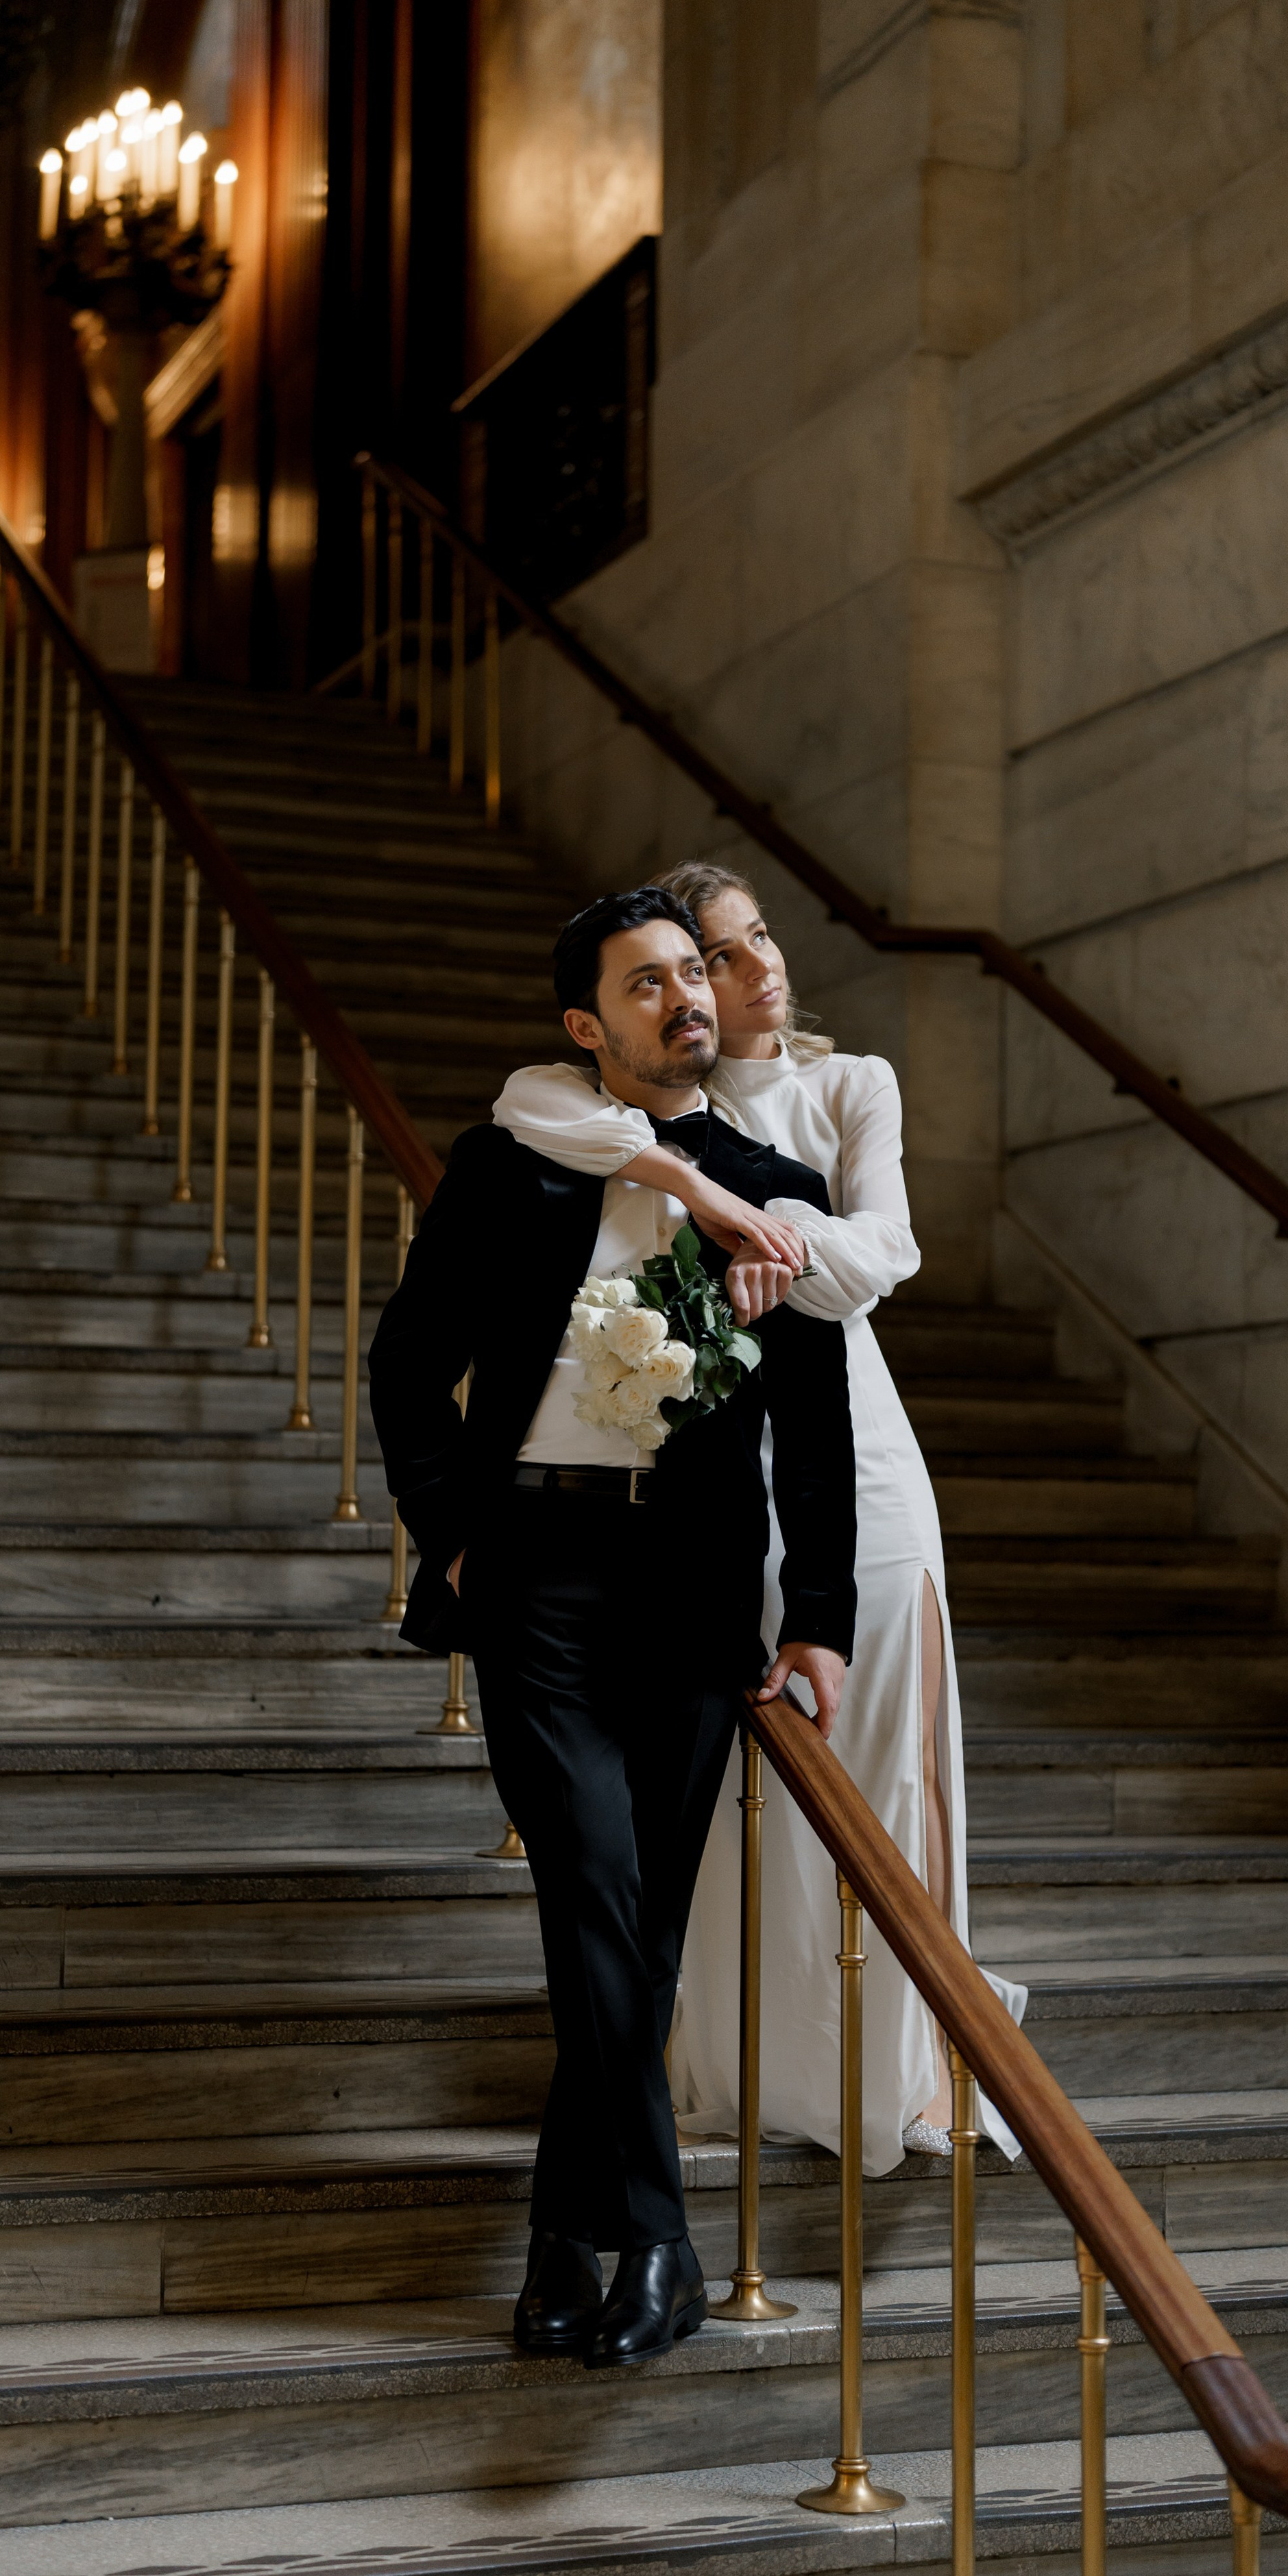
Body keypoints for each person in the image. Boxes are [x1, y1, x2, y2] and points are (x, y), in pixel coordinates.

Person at [368, 886, 858, 2369]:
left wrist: (817, 1616)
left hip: (695, 1588)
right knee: (588, 1884)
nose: (684, 1001)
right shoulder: (510, 1164)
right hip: (538, 1576)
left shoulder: (775, 1189)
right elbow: (406, 1364)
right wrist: (453, 1525)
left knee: (638, 1932)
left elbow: (814, 1431)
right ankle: (656, 2239)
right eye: (643, 987)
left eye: (689, 977)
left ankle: (556, 2235)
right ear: (588, 1026)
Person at [492, 863, 1026, 2172]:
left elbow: (879, 1259)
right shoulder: (645, 1107)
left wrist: (760, 1228)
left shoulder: (852, 1088)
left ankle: (889, 2060)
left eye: (754, 942)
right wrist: (701, 1185)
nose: (754, 972)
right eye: (714, 959)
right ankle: (734, 2052)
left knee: (873, 1752)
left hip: (857, 1448)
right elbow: (528, 1107)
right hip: (711, 1458)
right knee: (735, 1774)